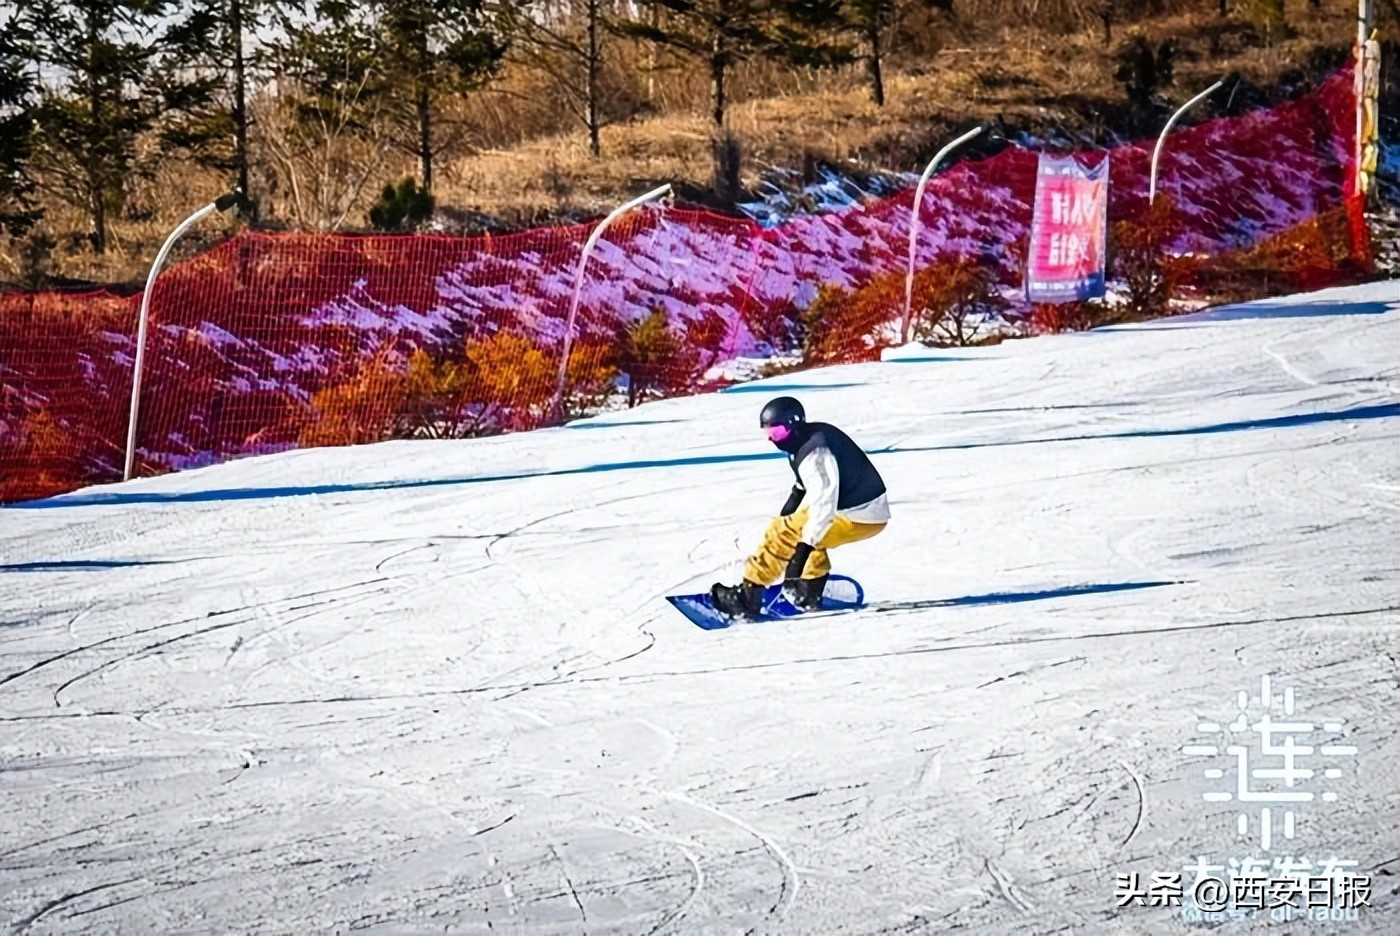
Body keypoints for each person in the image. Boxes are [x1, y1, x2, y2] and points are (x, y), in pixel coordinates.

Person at [711, 396, 890, 618]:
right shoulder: (807, 438)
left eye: (778, 433)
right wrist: (793, 501)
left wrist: (801, 552)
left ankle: (748, 596)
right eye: (769, 433)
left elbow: (824, 501)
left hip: (859, 515)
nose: (773, 439)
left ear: (794, 424)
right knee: (794, 526)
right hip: (861, 509)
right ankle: (810, 589)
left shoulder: (815, 453)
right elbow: (809, 484)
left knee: (788, 533)